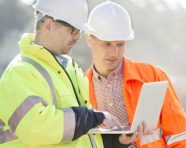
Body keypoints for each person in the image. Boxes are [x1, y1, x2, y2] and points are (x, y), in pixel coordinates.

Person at [0, 0, 125, 147]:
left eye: (80, 31)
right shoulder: (18, 73)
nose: (78, 37)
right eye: (73, 30)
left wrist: (116, 142)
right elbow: (36, 129)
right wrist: (91, 117)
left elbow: (79, 133)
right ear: (48, 25)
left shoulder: (71, 69)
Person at [85, 1, 186, 147]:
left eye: (120, 44)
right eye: (106, 44)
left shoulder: (154, 77)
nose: (114, 53)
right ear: (89, 39)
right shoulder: (80, 86)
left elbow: (181, 138)